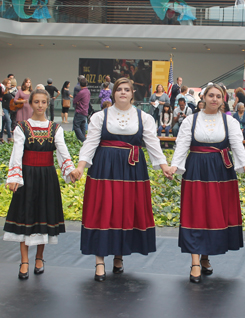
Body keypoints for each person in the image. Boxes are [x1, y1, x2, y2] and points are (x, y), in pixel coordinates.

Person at [73, 78, 171, 282]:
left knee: (124, 211)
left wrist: (164, 167)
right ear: (113, 93)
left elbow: (153, 144)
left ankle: (119, 256)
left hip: (132, 169)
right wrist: (80, 167)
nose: (123, 93)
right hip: (104, 169)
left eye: (127, 90)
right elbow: (90, 144)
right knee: (103, 210)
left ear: (133, 93)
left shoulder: (144, 118)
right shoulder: (100, 116)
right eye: (119, 89)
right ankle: (99, 260)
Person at [169, 83, 245, 283]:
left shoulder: (229, 122)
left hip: (220, 171)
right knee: (196, 212)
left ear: (223, 99)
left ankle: (205, 257)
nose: (214, 99)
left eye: (218, 96)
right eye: (211, 95)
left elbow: (237, 147)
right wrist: (174, 166)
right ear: (204, 97)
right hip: (196, 168)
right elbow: (182, 145)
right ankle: (195, 262)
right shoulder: (191, 120)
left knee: (213, 213)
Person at [3, 88, 78, 279]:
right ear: (30, 103)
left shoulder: (55, 128)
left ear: (47, 104)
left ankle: (39, 258)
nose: (40, 105)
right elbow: (16, 154)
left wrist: (70, 170)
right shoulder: (22, 127)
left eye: (43, 102)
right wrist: (14, 177)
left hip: (47, 177)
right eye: (36, 102)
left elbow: (62, 151)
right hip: (27, 176)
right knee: (25, 216)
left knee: (43, 215)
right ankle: (24, 260)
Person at [73, 78, 90, 142]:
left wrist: (78, 102)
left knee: (76, 126)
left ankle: (83, 140)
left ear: (80, 84)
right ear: (86, 84)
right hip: (85, 111)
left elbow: (75, 100)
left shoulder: (81, 92)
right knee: (83, 126)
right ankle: (84, 140)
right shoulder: (88, 91)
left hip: (79, 111)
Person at [1, 78, 14, 142]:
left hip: (8, 109)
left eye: (10, 83)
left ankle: (1, 137)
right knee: (9, 121)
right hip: (4, 108)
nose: (9, 85)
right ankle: (9, 137)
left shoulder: (9, 91)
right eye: (8, 83)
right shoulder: (3, 91)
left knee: (4, 123)